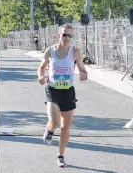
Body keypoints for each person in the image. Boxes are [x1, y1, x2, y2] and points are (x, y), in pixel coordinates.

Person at [37, 24, 88, 167]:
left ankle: (60, 155)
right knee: (56, 123)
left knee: (65, 127)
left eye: (70, 36)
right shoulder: (50, 51)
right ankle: (50, 129)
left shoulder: (75, 52)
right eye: (64, 34)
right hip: (53, 91)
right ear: (58, 35)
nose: (67, 38)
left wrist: (84, 74)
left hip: (68, 92)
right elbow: (41, 68)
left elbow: (82, 69)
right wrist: (41, 77)